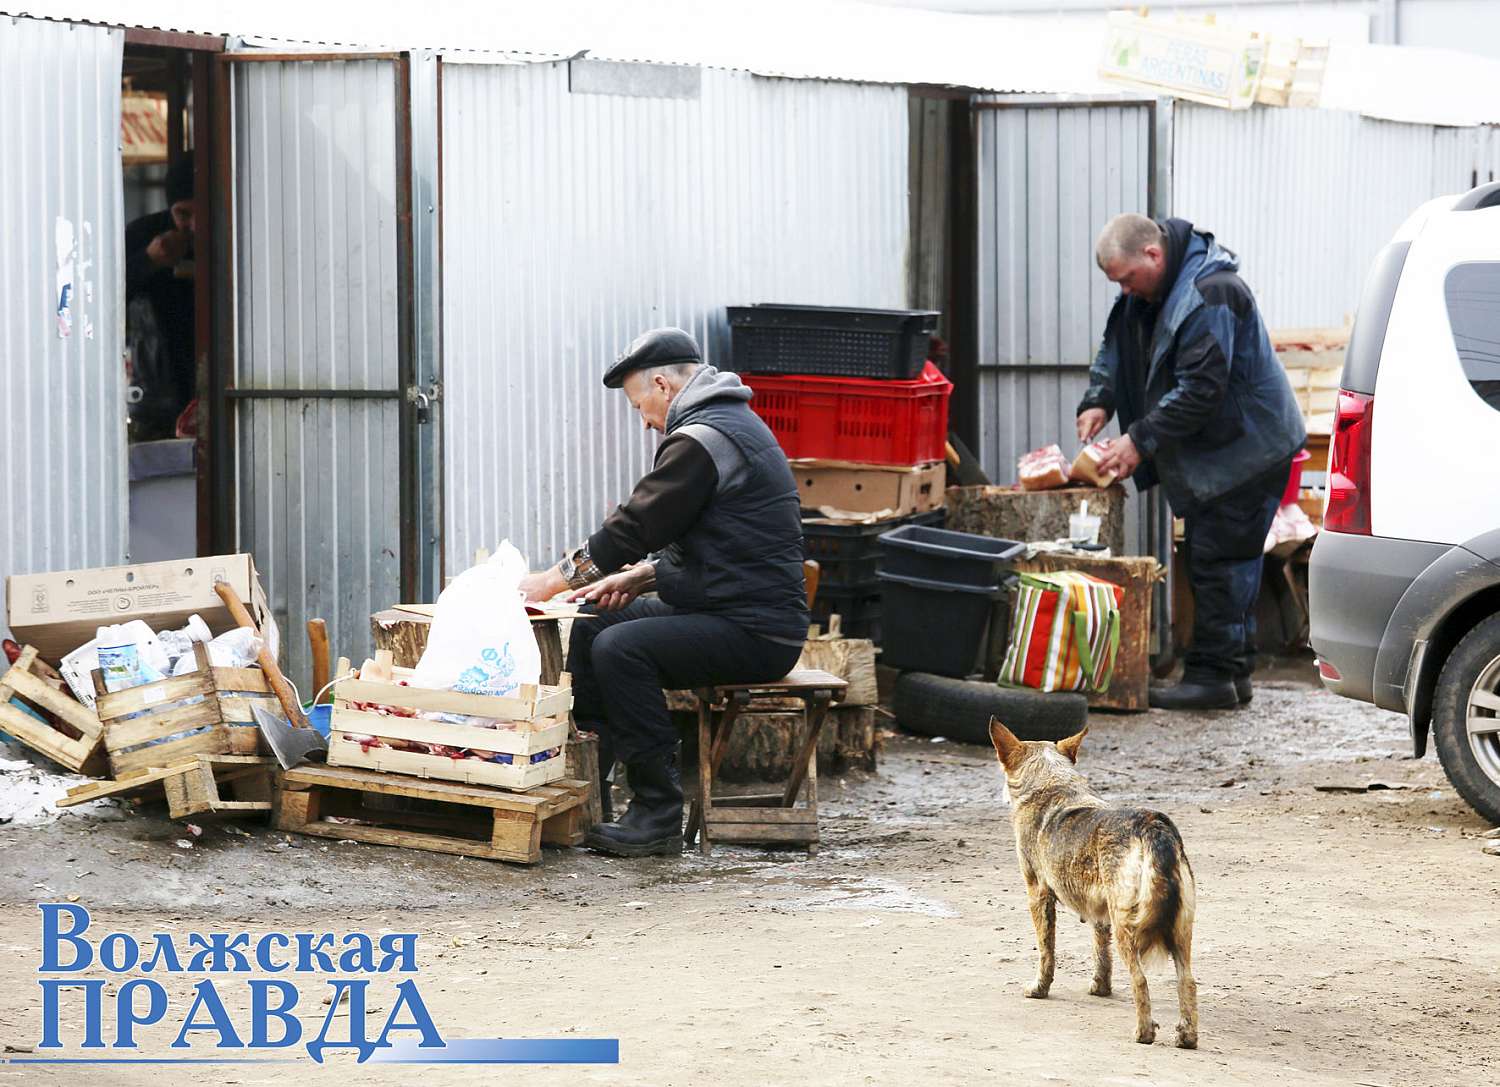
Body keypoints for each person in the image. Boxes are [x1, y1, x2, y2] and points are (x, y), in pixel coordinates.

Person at [518, 328, 809, 856]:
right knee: (595, 625)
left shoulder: (704, 437)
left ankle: (657, 812)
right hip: (727, 608)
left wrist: (548, 582)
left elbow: (635, 526)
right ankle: (590, 788)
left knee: (621, 649)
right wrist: (639, 577)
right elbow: (721, 545)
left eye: (640, 406)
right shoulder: (723, 425)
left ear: (662, 385)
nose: (646, 421)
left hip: (758, 629)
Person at [1079, 214, 1305, 711]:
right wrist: (1099, 399)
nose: (1124, 290)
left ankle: (1211, 678)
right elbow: (1116, 347)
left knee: (1218, 560)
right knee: (1221, 557)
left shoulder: (1211, 293)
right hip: (1222, 449)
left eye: (1126, 278)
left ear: (1153, 256)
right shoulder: (1147, 295)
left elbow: (1203, 389)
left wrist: (1139, 440)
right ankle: (1233, 673)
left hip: (1248, 449)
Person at [124, 155, 196, 441]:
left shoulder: (236, 232)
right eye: (184, 214)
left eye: (201, 213)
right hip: (157, 401)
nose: (194, 226)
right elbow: (103, 298)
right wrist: (148, 261)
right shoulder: (143, 235)